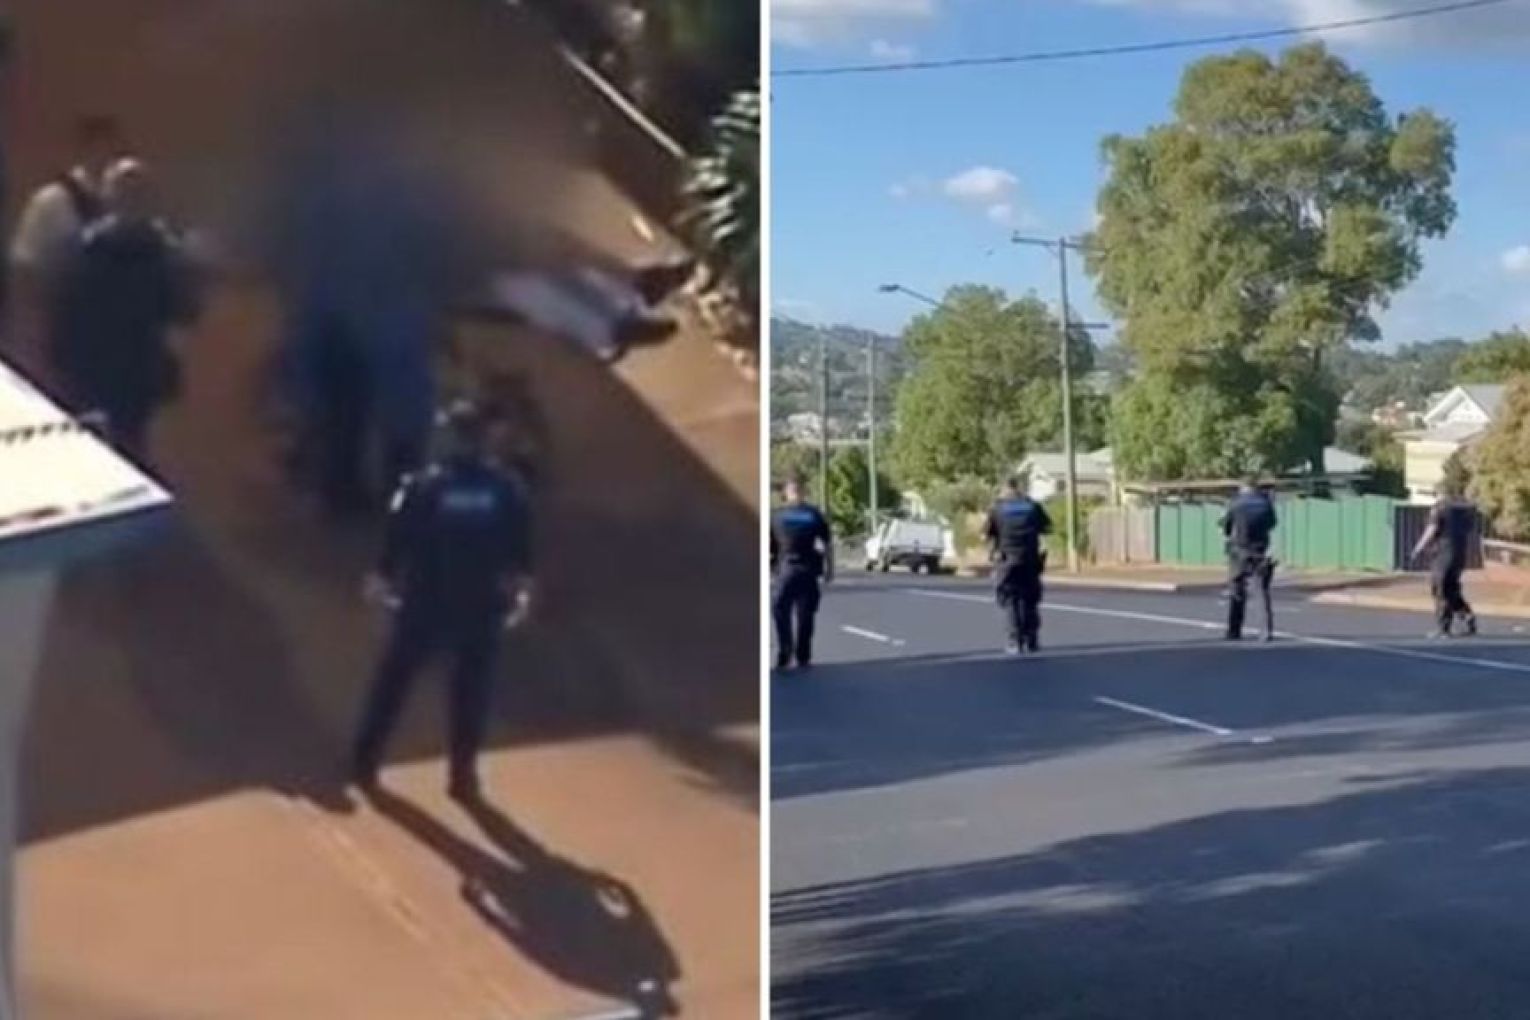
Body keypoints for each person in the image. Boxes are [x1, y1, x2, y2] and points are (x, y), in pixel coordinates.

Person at [351, 399, 534, 800]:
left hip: (425, 601)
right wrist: (521, 592)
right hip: (480, 605)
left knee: (394, 683)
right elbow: (520, 549)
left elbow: (397, 537)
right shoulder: (505, 488)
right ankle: (462, 777)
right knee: (470, 693)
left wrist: (381, 578)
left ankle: (364, 761)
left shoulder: (423, 486)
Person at [48, 159, 199, 462]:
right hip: (100, 373)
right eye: (125, 193)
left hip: (142, 377)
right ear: (109, 198)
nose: (131, 201)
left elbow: (182, 317)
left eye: (137, 194)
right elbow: (67, 315)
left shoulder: (164, 254)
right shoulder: (88, 252)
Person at [7, 115, 125, 371]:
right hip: (59, 324)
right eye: (101, 148)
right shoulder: (52, 201)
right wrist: (32, 331)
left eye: (113, 151)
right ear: (85, 149)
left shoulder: (120, 206)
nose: (107, 158)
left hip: (107, 333)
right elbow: (25, 266)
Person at [983, 478, 1052, 654]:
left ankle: (1014, 640)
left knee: (1010, 600)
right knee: (1030, 599)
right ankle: (1031, 639)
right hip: (1030, 558)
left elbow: (987, 534)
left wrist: (993, 549)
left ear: (1004, 489)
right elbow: (1048, 527)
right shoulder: (1032, 506)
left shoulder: (997, 508)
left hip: (1007, 560)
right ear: (1019, 488)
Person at [770, 476, 832, 671]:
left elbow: (768, 546)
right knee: (805, 614)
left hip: (788, 569)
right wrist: (830, 569)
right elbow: (827, 543)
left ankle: (786, 651)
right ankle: (802, 655)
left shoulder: (777, 515)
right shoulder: (813, 514)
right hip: (807, 569)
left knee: (782, 609)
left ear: (786, 493)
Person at [1411, 481, 1479, 639]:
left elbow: (1432, 529)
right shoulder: (1465, 510)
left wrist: (1418, 548)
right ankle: (1466, 616)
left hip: (1443, 552)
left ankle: (1444, 628)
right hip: (1460, 552)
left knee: (1440, 588)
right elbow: (1469, 529)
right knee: (1452, 587)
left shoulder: (1440, 509)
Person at [1221, 480, 1279, 642]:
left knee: (1237, 590)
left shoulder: (1236, 504)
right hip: (1260, 550)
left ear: (1243, 489)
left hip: (1239, 551)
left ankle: (1234, 630)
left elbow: (1227, 527)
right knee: (1261, 591)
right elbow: (1272, 524)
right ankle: (1266, 631)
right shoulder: (1265, 504)